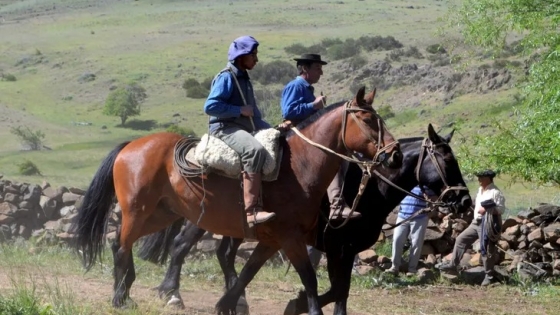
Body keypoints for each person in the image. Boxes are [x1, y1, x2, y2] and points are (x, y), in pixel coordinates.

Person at [203, 35, 275, 225]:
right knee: (254, 151)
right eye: (253, 55)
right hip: (225, 128)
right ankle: (251, 211)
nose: (256, 59)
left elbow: (255, 117)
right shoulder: (227, 77)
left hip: (242, 127)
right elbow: (210, 107)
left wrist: (275, 130)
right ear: (241, 56)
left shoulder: (245, 79)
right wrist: (239, 110)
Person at [280, 53, 360, 220]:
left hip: (307, 137)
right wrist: (313, 105)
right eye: (317, 68)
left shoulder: (307, 88)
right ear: (304, 68)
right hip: (300, 138)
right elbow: (288, 111)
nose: (321, 73)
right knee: (330, 160)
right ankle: (336, 206)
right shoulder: (296, 86)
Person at [437, 169, 506, 286]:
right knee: (461, 239)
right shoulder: (480, 190)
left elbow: (501, 209)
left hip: (487, 223)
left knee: (486, 249)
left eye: (481, 177)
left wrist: (488, 209)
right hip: (476, 222)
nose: (479, 179)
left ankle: (489, 276)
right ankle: (453, 265)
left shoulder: (495, 192)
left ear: (488, 179)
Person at [385, 185, 437, 276]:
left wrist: (429, 200)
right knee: (397, 240)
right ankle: (394, 267)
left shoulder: (426, 184)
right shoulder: (407, 181)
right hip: (403, 216)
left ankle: (412, 270)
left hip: (420, 217)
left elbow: (435, 198)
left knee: (416, 243)